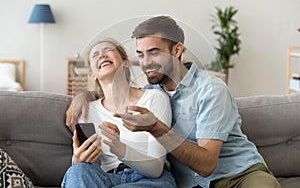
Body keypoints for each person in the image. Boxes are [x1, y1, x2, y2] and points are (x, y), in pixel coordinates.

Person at [66, 16, 281, 188]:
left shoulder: (211, 90)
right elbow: (115, 94)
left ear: (177, 50)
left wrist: (155, 128)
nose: (146, 62)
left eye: (154, 52)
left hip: (238, 175)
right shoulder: (151, 93)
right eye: (140, 54)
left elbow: (207, 165)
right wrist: (82, 97)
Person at [62, 38, 176, 188]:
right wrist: (77, 160)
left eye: (108, 50)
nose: (102, 55)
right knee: (77, 171)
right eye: (95, 55)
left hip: (150, 181)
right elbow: (86, 170)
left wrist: (120, 148)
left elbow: (156, 169)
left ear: (125, 63)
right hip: (108, 178)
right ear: (92, 74)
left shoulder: (154, 99)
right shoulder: (86, 111)